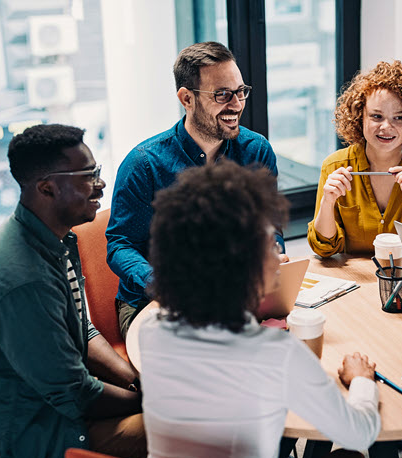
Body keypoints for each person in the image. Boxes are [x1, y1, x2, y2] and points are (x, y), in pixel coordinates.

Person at [139, 159, 381, 458]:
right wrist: (362, 380)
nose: (279, 254)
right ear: (242, 265)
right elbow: (359, 433)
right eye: (269, 244)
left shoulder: (152, 331)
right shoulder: (274, 353)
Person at [0, 124, 146, 458]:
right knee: (197, 426)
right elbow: (74, 394)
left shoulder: (47, 235)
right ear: (46, 188)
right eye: (89, 176)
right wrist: (150, 401)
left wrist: (135, 379)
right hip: (25, 447)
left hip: (44, 407)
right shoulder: (22, 279)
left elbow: (81, 329)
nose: (102, 185)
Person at [107, 41, 284, 339]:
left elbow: (270, 226)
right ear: (186, 98)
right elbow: (120, 244)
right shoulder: (144, 164)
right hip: (153, 302)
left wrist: (272, 251)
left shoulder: (256, 151)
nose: (237, 104)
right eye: (222, 94)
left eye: (241, 92)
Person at [307, 60, 402, 256]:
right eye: (376, 116)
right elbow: (324, 248)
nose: (386, 127)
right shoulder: (334, 166)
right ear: (359, 116)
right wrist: (327, 202)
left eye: (399, 117)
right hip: (355, 280)